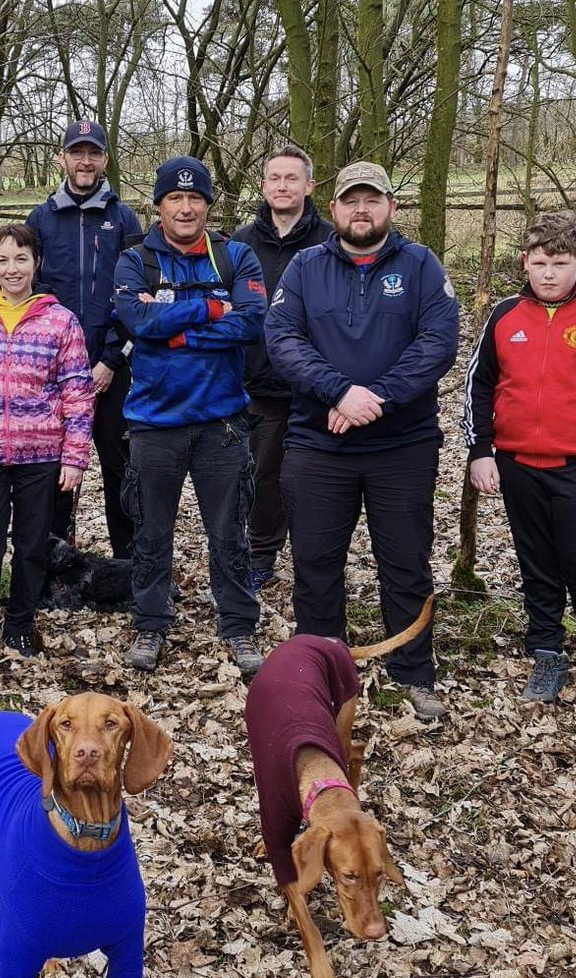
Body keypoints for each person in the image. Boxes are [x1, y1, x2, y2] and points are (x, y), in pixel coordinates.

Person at [263, 160, 459, 721]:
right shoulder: (305, 268)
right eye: (352, 200)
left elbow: (437, 343)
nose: (362, 210)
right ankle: (321, 674)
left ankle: (413, 672)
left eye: (373, 200)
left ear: (391, 208)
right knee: (316, 563)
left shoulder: (420, 266)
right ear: (335, 209)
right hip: (319, 446)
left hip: (403, 446)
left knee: (405, 562)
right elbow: (283, 340)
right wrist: (339, 392)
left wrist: (374, 398)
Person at [463, 209, 576, 713]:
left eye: (560, 263)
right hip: (519, 464)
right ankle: (546, 654)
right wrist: (481, 450)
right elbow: (478, 386)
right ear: (524, 262)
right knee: (537, 565)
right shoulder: (504, 316)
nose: (549, 273)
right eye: (540, 262)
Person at [112, 155, 266, 676]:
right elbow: (135, 319)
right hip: (154, 422)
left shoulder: (235, 255)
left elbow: (251, 324)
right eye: (174, 198)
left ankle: (240, 626)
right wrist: (209, 309)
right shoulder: (136, 260)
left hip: (221, 420)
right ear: (158, 206)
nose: (184, 207)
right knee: (151, 531)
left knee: (230, 531)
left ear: (206, 205)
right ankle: (150, 624)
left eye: (194, 198)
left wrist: (171, 325)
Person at [0, 223, 94, 658]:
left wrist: (75, 456)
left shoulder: (60, 321)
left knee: (31, 547)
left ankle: (21, 625)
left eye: (21, 259)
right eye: (3, 259)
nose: (12, 269)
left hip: (41, 453)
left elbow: (78, 393)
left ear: (36, 263)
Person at [26, 119, 142, 558]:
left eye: (93, 153)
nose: (85, 160)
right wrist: (54, 362)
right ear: (63, 158)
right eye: (77, 152)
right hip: (54, 373)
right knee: (55, 469)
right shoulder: (40, 219)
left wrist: (112, 360)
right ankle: (54, 560)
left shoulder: (123, 217)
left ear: (105, 160)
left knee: (120, 467)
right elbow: (28, 292)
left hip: (112, 368)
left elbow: (135, 295)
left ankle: (128, 564)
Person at [231, 144, 332, 589]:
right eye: (275, 178)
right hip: (258, 383)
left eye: (293, 178)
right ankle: (261, 554)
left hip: (317, 385)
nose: (283, 186)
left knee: (316, 477)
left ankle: (318, 559)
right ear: (264, 185)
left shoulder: (330, 240)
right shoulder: (240, 242)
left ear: (309, 186)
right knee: (263, 474)